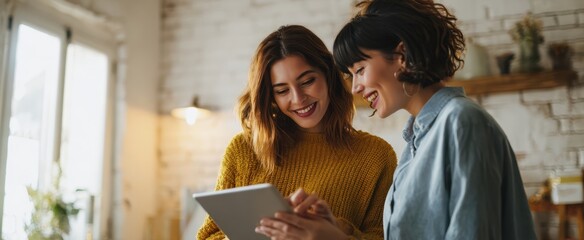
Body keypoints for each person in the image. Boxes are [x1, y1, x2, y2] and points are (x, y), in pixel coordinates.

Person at [327, 0, 537, 239]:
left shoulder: (462, 122)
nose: (355, 87)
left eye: (360, 69)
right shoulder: (416, 143)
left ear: (401, 55)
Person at [197, 25, 397, 240]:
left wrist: (333, 230)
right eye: (282, 91)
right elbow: (208, 236)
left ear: (328, 76)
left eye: (307, 81)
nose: (298, 98)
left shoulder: (375, 155)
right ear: (271, 97)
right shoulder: (243, 150)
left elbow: (385, 236)